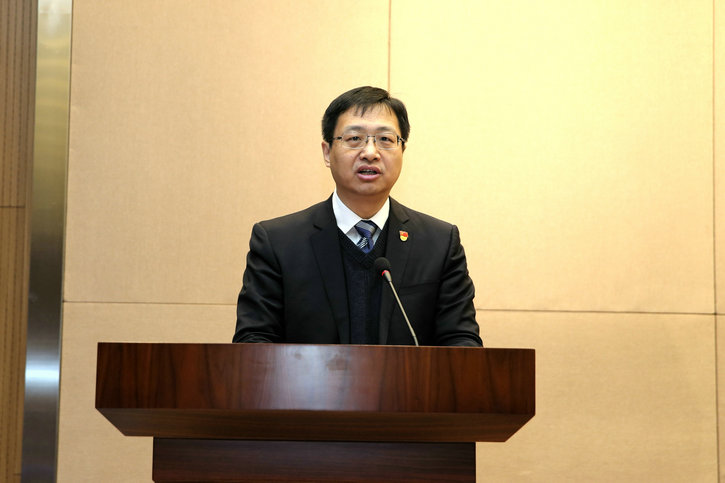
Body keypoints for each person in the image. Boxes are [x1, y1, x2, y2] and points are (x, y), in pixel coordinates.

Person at [233, 86, 482, 346]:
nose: (370, 152)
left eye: (385, 139)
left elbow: (462, 343)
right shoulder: (278, 243)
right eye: (354, 138)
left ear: (402, 151)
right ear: (327, 152)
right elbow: (253, 343)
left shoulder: (439, 244)